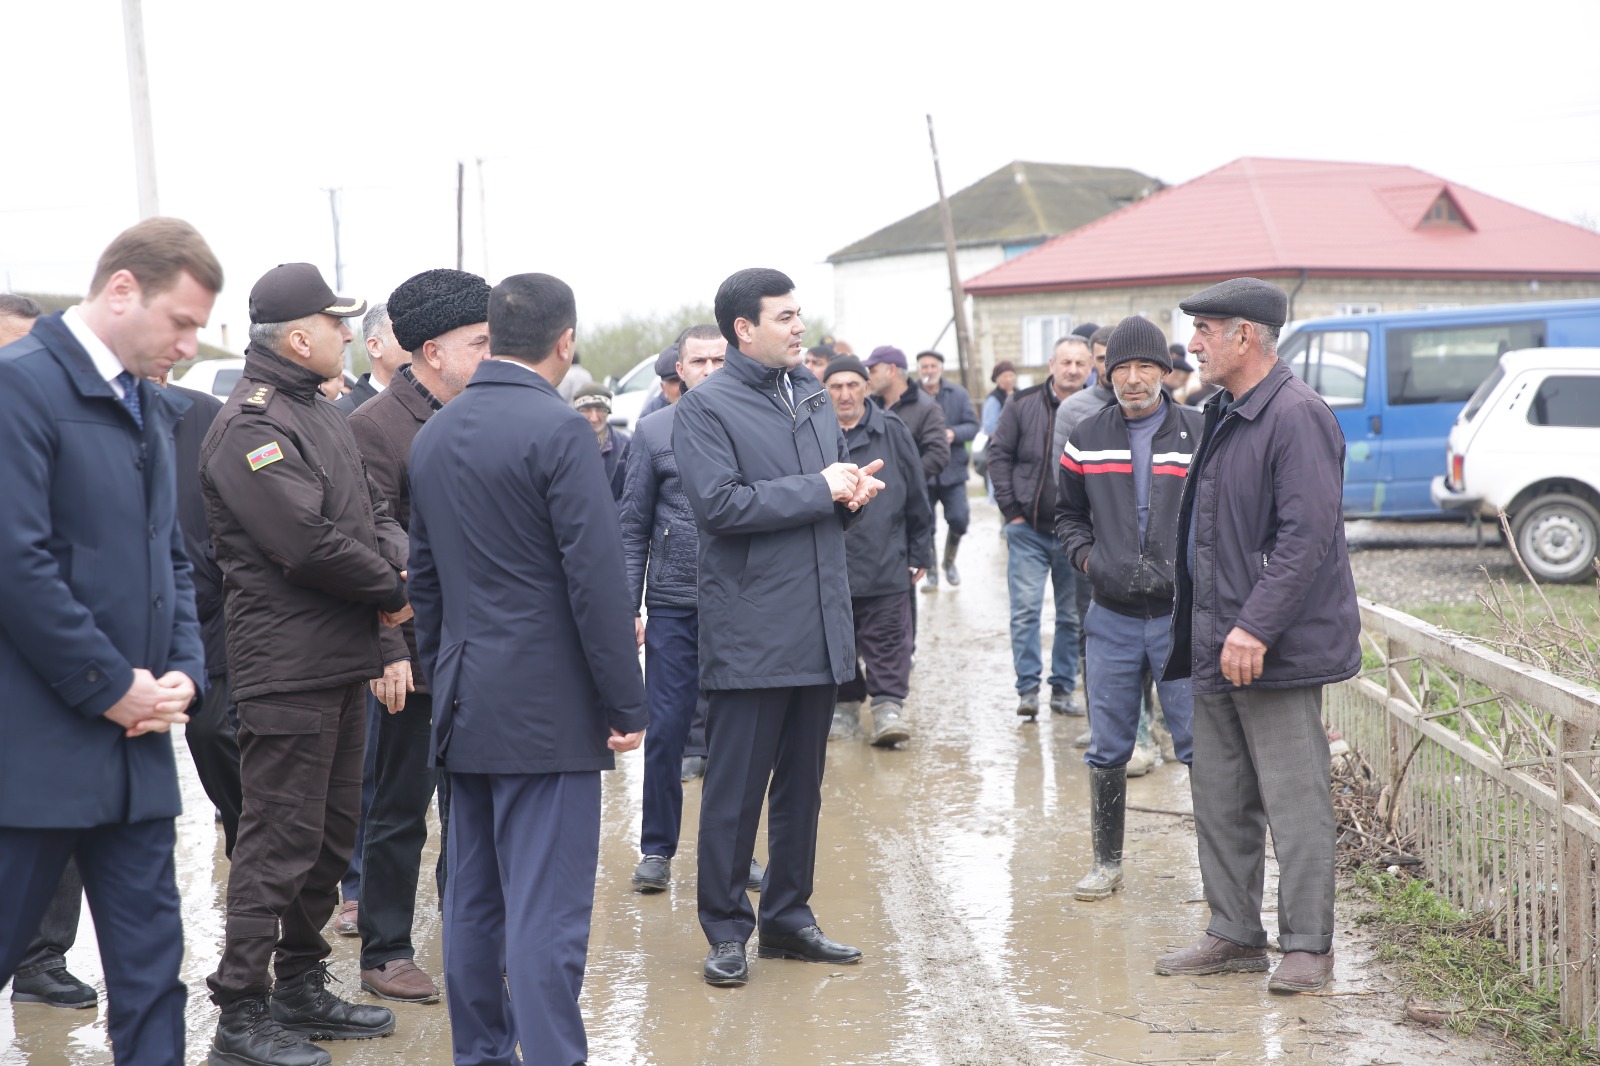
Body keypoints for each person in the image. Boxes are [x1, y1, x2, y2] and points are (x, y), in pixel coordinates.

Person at [408, 272, 647, 1066]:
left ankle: (481, 1055)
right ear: (565, 341)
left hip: (466, 700)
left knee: (473, 900)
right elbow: (597, 582)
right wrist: (626, 701)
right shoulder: (559, 431)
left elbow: (426, 583)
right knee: (547, 912)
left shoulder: (435, 433)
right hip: (547, 712)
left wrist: (445, 682)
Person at [0, 218, 220, 1064]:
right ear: (122, 289)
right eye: (182, 321)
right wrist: (107, 684)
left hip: (136, 752)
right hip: (36, 754)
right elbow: (15, 564)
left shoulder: (141, 402)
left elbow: (170, 555)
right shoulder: (20, 387)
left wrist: (183, 676)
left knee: (151, 973)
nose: (190, 344)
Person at [200, 262, 407, 1066]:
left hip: (342, 655)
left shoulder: (319, 411)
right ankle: (241, 1015)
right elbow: (305, 542)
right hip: (286, 665)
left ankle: (299, 985)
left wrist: (392, 579)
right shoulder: (249, 426)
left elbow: (373, 511)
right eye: (337, 323)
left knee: (328, 838)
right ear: (298, 336)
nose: (349, 335)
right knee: (276, 841)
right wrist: (394, 590)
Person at [674, 267, 883, 988]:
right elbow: (721, 506)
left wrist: (850, 492)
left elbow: (819, 496)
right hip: (753, 631)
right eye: (784, 317)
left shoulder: (813, 395)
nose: (800, 328)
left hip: (821, 623)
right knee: (734, 792)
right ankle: (728, 930)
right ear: (743, 329)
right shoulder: (707, 408)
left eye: (800, 316)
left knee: (803, 788)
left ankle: (790, 919)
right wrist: (820, 487)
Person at [1156, 277, 1360, 995]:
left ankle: (1308, 945)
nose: (1195, 343)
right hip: (1217, 641)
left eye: (1207, 329)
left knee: (1293, 797)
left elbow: (1307, 539)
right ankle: (1234, 933)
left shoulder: (1296, 415)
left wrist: (1254, 626)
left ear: (1246, 335)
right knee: (1220, 794)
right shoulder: (1224, 412)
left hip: (1269, 646)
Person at [345, 267, 490, 1004]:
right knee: (400, 809)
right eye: (480, 342)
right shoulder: (374, 427)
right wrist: (388, 649)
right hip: (414, 653)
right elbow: (370, 544)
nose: (491, 357)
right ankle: (385, 949)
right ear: (432, 350)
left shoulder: (478, 412)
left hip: (482, 653)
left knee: (471, 811)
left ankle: (464, 930)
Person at [1055, 316, 1201, 903]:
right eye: (1121, 368)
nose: (1133, 379)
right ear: (1104, 371)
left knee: (1199, 745)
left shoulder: (1199, 431)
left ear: (1165, 372)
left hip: (1179, 619)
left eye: (1146, 367)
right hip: (1111, 617)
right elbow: (1066, 515)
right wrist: (1092, 563)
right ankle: (1106, 862)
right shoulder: (1086, 436)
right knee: (1108, 744)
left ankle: (1216, 870)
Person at [618, 323, 750, 893]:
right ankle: (656, 849)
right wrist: (629, 607)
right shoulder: (652, 432)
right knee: (668, 730)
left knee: (739, 737)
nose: (711, 371)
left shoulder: (758, 427)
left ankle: (737, 856)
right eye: (700, 362)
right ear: (680, 369)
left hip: (744, 606)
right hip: (674, 606)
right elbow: (632, 529)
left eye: (722, 360)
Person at [826, 355, 932, 745]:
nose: (845, 394)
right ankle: (844, 707)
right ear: (826, 391)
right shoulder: (814, 432)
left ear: (866, 388)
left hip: (886, 555)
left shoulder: (891, 429)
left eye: (853, 385)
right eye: (836, 386)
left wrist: (921, 550)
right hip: (832, 560)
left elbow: (917, 491)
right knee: (838, 640)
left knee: (889, 637)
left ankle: (888, 708)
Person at [988, 337, 1086, 719]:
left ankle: (1062, 689)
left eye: (1080, 363)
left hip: (1075, 533)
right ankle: (1027, 689)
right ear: (1051, 364)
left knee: (1071, 614)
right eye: (1066, 362)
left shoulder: (1098, 409)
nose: (1073, 369)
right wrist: (1011, 510)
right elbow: (998, 455)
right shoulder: (1022, 403)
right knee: (1026, 611)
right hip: (1027, 529)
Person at [915, 349, 978, 588]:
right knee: (925, 524)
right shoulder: (912, 396)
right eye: (924, 367)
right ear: (919, 370)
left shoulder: (958, 394)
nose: (928, 371)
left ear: (941, 368)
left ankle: (949, 562)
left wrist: (954, 433)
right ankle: (930, 570)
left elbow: (973, 425)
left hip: (953, 471)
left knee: (959, 518)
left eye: (933, 366)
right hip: (923, 472)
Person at [865, 344, 948, 483]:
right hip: (872, 494)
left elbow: (938, 455)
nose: (868, 378)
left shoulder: (926, 407)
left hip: (910, 497)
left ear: (891, 370)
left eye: (873, 371)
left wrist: (904, 480)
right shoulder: (869, 406)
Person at [336, 302, 409, 415]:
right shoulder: (341, 414)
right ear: (374, 346)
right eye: (404, 334)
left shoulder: (431, 404)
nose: (416, 342)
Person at [573, 384, 631, 500]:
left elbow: (631, 493)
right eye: (587, 411)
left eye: (600, 409)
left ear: (608, 412)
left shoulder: (625, 445)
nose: (594, 418)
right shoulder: (566, 446)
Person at [637, 338, 682, 421]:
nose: (683, 387)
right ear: (663, 388)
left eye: (685, 379)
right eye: (675, 381)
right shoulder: (650, 417)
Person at [981, 359, 1015, 437]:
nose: (1008, 379)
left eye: (1011, 375)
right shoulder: (993, 400)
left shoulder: (1020, 393)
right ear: (997, 379)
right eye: (1005, 376)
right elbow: (990, 429)